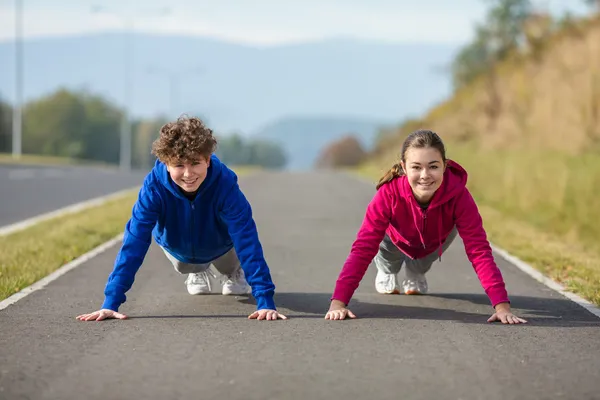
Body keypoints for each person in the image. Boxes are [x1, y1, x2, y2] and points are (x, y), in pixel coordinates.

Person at [77, 116, 286, 322]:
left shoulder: (225, 185)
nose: (188, 174)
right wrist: (110, 302)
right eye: (178, 165)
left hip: (222, 245)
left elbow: (246, 238)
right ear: (166, 163)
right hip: (179, 248)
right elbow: (135, 241)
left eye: (195, 163)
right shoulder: (153, 188)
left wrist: (265, 300)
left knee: (232, 258)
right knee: (186, 263)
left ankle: (233, 273)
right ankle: (197, 271)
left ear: (208, 159)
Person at [325, 129, 527, 324]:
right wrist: (338, 303)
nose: (425, 175)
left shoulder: (459, 196)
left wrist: (502, 307)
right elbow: (363, 248)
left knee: (420, 261)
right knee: (389, 261)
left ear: (444, 166)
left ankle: (415, 271)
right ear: (404, 167)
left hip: (430, 243)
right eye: (416, 167)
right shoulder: (388, 194)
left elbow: (479, 250)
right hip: (392, 241)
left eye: (433, 166)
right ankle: (387, 272)